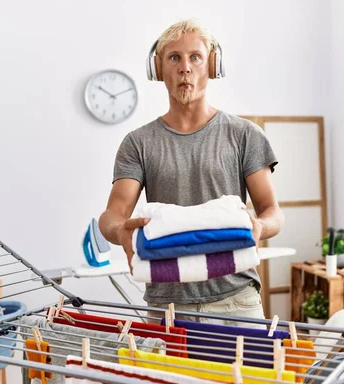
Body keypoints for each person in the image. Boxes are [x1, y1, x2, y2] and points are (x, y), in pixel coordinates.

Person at [99, 20, 284, 326]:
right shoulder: (138, 143)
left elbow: (272, 211)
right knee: (161, 378)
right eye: (174, 58)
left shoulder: (244, 135)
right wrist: (120, 232)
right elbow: (112, 214)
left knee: (249, 377)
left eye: (195, 57)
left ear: (212, 65)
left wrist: (260, 227)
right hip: (166, 307)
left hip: (236, 301)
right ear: (158, 69)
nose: (185, 68)